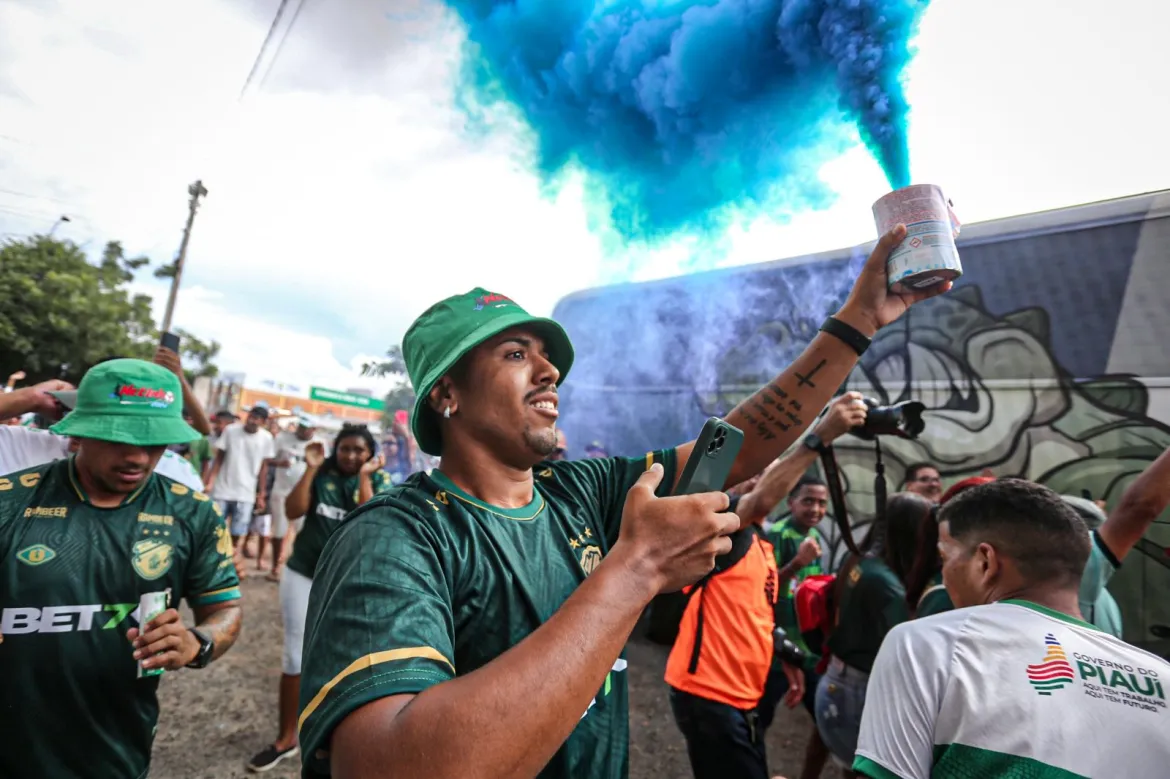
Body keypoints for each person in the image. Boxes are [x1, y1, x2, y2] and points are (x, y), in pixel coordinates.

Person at [297, 224, 947, 779]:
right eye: (517, 353)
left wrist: (861, 318)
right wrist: (635, 568)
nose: (550, 371)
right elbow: (383, 761)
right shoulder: (392, 537)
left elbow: (739, 448)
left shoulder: (585, 491)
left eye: (548, 358)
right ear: (446, 396)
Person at [0, 358, 242, 778]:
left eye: (154, 441)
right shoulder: (9, 499)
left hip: (114, 751)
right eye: (120, 438)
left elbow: (225, 609)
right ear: (79, 429)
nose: (137, 457)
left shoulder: (193, 514)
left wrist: (197, 643)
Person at [853, 479, 1170, 779]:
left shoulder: (925, 645)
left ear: (985, 563)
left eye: (944, 557)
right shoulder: (1162, 679)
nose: (944, 572)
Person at [247, 424, 389, 773]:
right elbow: (293, 511)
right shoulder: (319, 475)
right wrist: (311, 468)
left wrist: (366, 477)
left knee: (341, 658)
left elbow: (368, 519)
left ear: (370, 453)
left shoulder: (380, 482)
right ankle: (285, 739)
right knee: (295, 655)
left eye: (359, 450)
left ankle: (328, 737)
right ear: (334, 450)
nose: (352, 456)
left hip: (346, 581)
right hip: (303, 573)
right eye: (345, 449)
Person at [742, 392, 869, 779]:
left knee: (827, 715)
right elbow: (763, 590)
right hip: (775, 645)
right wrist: (795, 563)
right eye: (808, 502)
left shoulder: (816, 539)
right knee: (757, 719)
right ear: (791, 502)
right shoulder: (777, 535)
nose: (816, 510)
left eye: (821, 503)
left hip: (808, 648)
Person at [815, 492, 933, 775]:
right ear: (914, 530)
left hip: (839, 679)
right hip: (859, 689)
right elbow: (907, 646)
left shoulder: (860, 560)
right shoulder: (886, 584)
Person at [0, 376, 207, 493]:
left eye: (115, 431)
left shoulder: (177, 473)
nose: (79, 434)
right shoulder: (23, 444)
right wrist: (30, 397)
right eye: (75, 414)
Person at [206, 404, 276, 553]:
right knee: (214, 527)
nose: (252, 421)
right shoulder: (231, 431)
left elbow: (264, 468)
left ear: (263, 422)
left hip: (246, 492)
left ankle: (230, 556)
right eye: (251, 417)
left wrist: (261, 493)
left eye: (257, 419)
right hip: (222, 489)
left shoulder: (266, 438)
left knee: (238, 531)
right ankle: (211, 554)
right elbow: (219, 458)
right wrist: (211, 480)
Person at [266, 415, 318, 581]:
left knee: (302, 531)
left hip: (304, 495)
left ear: (313, 430)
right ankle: (275, 566)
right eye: (300, 427)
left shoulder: (319, 444)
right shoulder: (282, 438)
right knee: (279, 530)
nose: (302, 430)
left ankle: (295, 565)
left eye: (306, 428)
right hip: (281, 490)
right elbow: (268, 459)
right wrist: (279, 463)